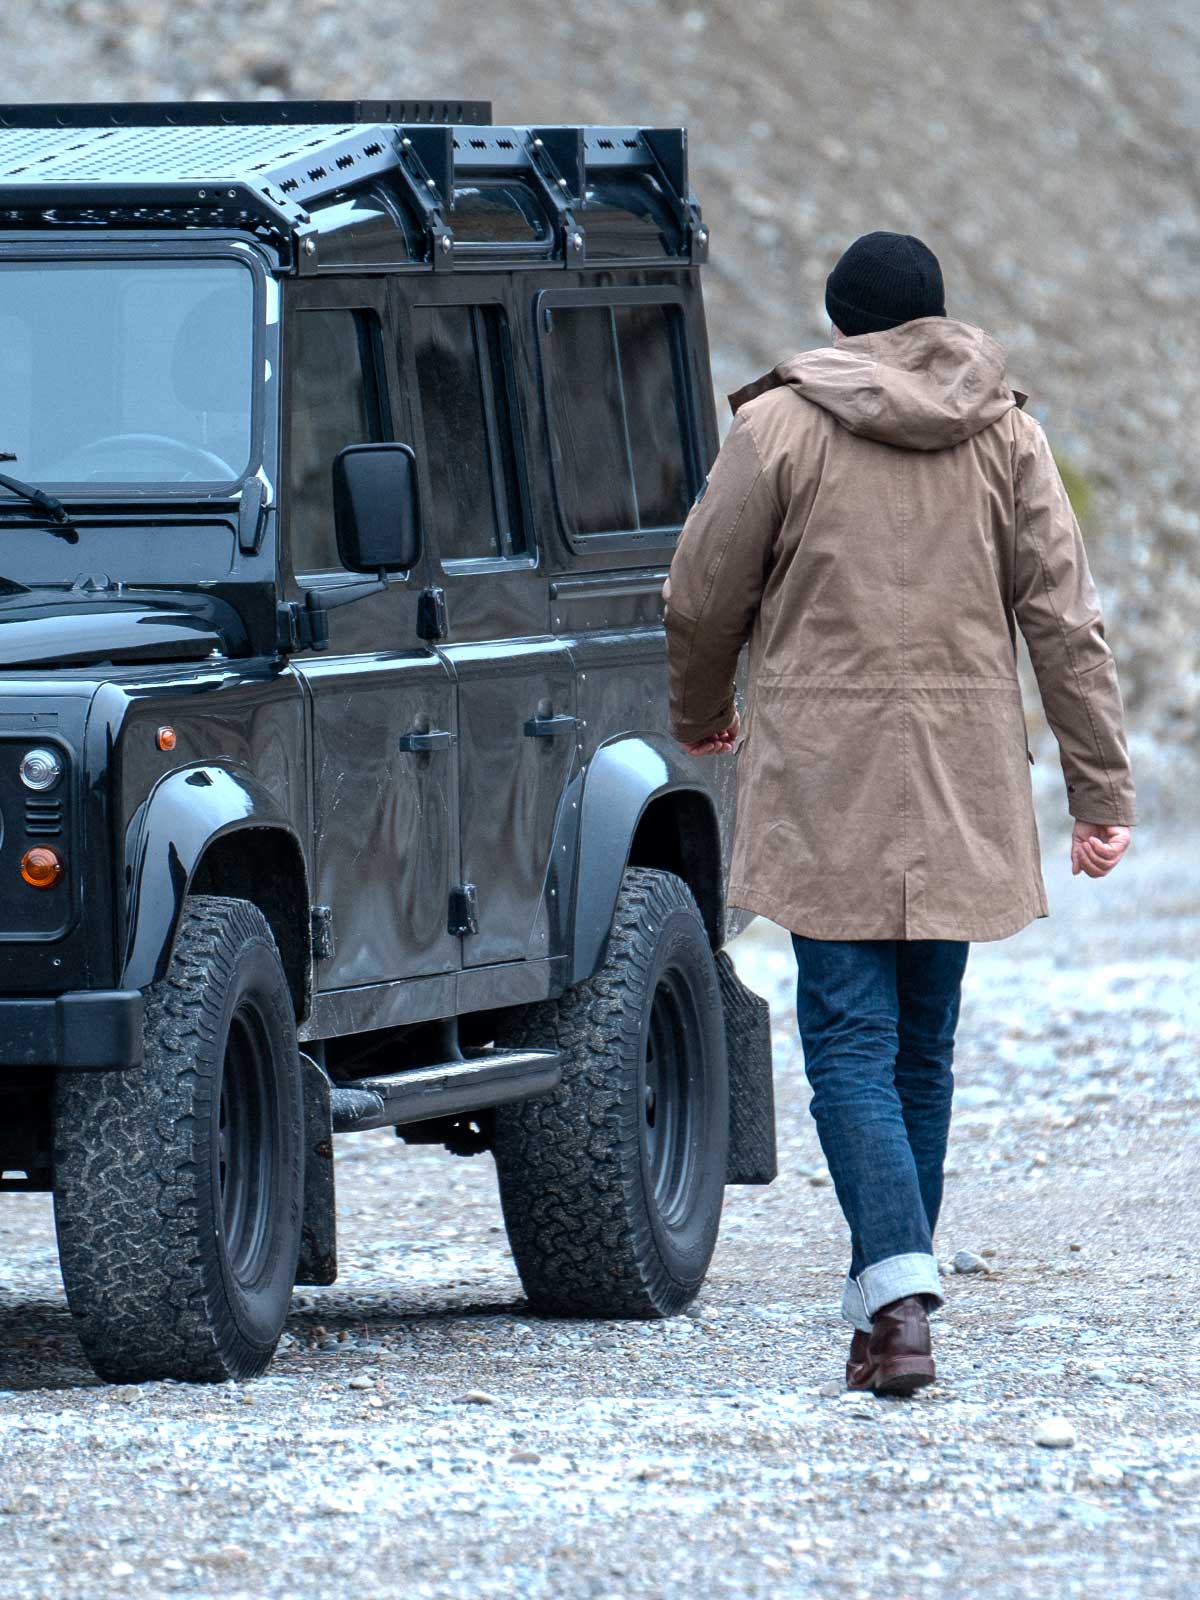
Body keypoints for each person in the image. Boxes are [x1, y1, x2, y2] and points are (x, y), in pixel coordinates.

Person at [662, 231, 1136, 1396]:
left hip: (830, 776)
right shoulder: (1006, 433)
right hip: (966, 774)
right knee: (922, 1050)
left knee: (851, 1049)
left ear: (839, 327)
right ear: (939, 321)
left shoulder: (779, 427)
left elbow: (700, 590)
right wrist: (1099, 792)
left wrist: (702, 708)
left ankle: (899, 1303)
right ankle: (894, 1309)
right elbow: (1065, 624)